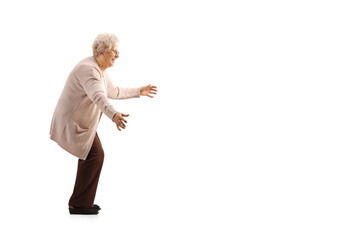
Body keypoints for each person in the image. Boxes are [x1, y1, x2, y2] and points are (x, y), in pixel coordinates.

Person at [49, 33, 157, 214]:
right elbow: (99, 96)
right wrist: (114, 115)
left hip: (83, 124)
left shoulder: (99, 69)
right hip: (72, 123)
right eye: (114, 51)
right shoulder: (89, 70)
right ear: (101, 51)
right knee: (95, 155)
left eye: (117, 51)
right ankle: (79, 204)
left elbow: (112, 91)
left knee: (92, 156)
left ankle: (80, 202)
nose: (117, 55)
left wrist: (140, 91)